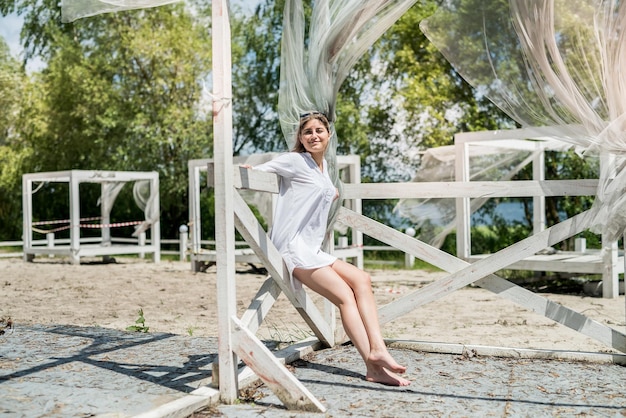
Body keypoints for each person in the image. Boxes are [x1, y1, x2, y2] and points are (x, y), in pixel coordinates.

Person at [243, 112, 410, 386]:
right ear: (300, 137)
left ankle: (378, 350)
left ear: (329, 135)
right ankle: (372, 363)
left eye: (319, 130)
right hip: (293, 248)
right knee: (345, 296)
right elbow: (263, 169)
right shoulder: (296, 161)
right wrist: (250, 172)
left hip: (312, 248)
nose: (314, 136)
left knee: (362, 279)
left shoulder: (322, 169)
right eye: (307, 132)